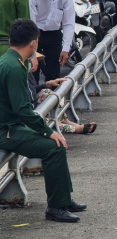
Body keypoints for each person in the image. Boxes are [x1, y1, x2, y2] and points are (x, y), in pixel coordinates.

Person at [0, 19, 85, 223]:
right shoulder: (14, 67)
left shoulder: (11, 61)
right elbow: (23, 110)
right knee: (53, 146)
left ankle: (63, 199)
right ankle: (56, 206)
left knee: (56, 144)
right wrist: (48, 131)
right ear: (33, 43)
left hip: (11, 126)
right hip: (7, 131)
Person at [29, 0, 75, 82]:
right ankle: (35, 96)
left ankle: (52, 97)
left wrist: (66, 48)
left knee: (54, 70)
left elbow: (68, 23)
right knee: (34, 68)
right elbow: (31, 21)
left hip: (54, 34)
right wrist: (33, 46)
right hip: (36, 33)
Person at [28, 72, 97, 134]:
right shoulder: (20, 71)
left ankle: (66, 121)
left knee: (46, 92)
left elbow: (32, 89)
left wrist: (46, 84)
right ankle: (74, 128)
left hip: (32, 103)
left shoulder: (26, 70)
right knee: (45, 121)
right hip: (27, 111)